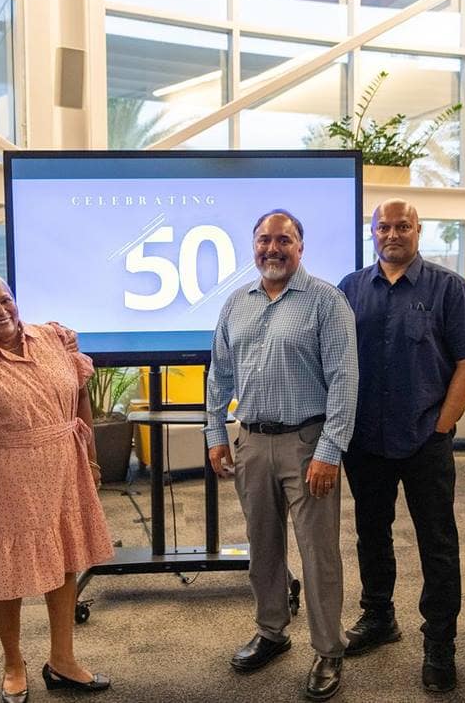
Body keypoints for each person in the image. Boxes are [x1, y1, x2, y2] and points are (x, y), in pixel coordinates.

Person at [337, 199, 465, 692]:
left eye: (402, 226)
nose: (392, 234)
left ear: (419, 230)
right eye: (383, 226)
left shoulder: (449, 288)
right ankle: (379, 616)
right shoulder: (351, 289)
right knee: (371, 533)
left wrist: (444, 426)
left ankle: (440, 642)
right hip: (365, 439)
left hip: (425, 438)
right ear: (373, 232)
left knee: (438, 543)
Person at [205, 210, 358, 702]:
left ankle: (328, 648)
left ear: (300, 247)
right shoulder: (236, 304)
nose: (273, 249)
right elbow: (219, 375)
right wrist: (215, 433)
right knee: (262, 547)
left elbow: (344, 381)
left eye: (284, 240)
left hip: (307, 445)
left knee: (318, 553)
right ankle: (272, 631)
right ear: (253, 246)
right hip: (251, 442)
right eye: (264, 240)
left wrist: (330, 451)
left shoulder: (327, 303)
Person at [0, 273, 114, 703]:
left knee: (64, 561)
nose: (1, 311)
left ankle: (62, 659)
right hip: (8, 479)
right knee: (7, 577)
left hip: (65, 466)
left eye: (5, 300)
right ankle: (13, 663)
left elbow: (81, 394)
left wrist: (93, 460)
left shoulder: (52, 338)